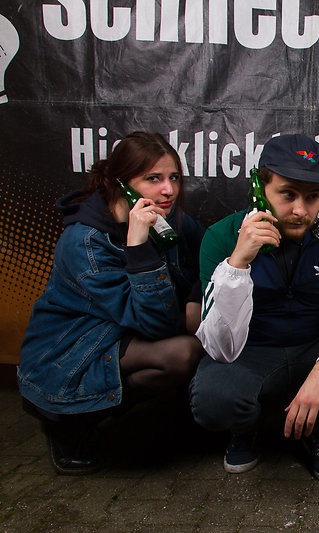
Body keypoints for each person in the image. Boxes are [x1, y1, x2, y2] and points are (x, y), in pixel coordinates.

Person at [190, 134, 319, 484]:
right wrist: (238, 263)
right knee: (212, 399)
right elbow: (220, 347)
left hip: (315, 348)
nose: (301, 210)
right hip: (250, 353)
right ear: (259, 188)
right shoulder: (222, 236)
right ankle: (246, 430)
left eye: (312, 196)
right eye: (288, 194)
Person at [17, 131, 206, 475]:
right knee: (182, 352)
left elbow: (210, 253)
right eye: (153, 179)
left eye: (174, 177)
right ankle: (68, 424)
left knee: (208, 331)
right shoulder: (85, 242)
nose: (169, 190)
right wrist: (138, 248)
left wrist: (195, 299)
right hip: (73, 353)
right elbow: (157, 325)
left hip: (122, 332)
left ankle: (176, 418)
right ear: (122, 183)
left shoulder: (166, 216)